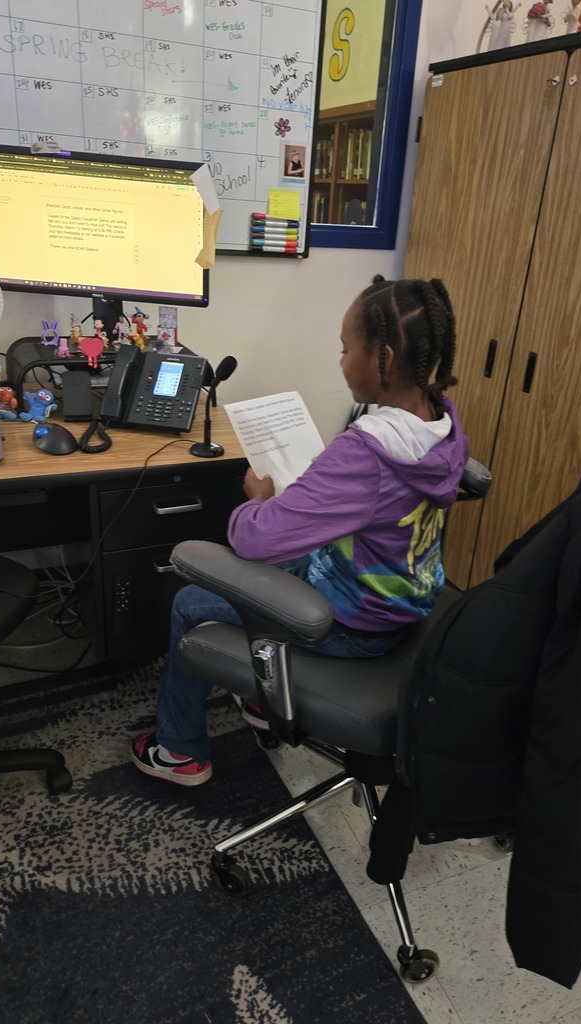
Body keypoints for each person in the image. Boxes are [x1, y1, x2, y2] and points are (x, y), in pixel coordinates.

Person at [131, 276, 469, 785]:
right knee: (268, 569)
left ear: (385, 358)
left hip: (357, 621)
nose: (339, 361)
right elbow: (379, 503)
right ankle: (261, 702)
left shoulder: (367, 451)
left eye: (345, 349)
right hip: (400, 596)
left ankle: (178, 750)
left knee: (191, 601)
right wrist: (327, 488)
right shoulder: (442, 422)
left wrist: (259, 500)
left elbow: (253, 538)